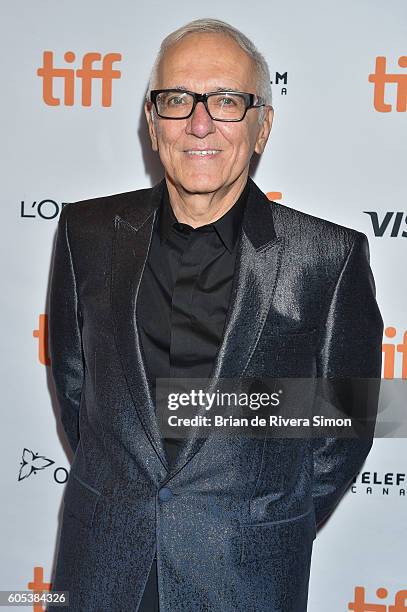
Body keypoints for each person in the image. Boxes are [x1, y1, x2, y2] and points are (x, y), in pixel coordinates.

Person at [48, 18, 383, 612]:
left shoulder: (327, 257)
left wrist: (257, 519)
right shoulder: (86, 233)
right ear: (153, 123)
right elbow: (78, 397)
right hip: (102, 568)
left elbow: (342, 428)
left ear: (262, 128)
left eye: (227, 101)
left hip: (245, 576)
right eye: (178, 100)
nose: (199, 123)